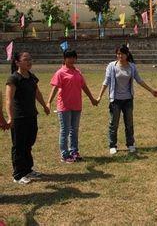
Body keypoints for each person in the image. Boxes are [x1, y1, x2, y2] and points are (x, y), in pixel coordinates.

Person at [97, 45, 157, 155]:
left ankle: (130, 144)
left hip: (128, 100)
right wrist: (99, 97)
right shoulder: (112, 66)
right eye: (118, 53)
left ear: (127, 54)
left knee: (129, 123)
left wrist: (151, 90)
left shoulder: (132, 67)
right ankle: (112, 145)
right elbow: (106, 82)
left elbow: (139, 80)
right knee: (113, 123)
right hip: (115, 100)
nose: (120, 56)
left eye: (122, 53)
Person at [46, 49, 98, 163]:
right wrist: (49, 102)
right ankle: (64, 155)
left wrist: (92, 99)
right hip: (64, 106)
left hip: (76, 105)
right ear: (64, 59)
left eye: (73, 57)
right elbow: (55, 88)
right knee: (65, 130)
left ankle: (74, 151)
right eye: (69, 57)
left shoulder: (78, 72)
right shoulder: (60, 72)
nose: (71, 60)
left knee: (74, 130)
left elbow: (84, 86)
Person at [6, 52, 50, 184]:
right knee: (18, 146)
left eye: (30, 59)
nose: (29, 61)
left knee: (28, 143)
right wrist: (10, 117)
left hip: (31, 115)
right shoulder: (13, 78)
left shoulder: (31, 77)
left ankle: (28, 170)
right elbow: (8, 100)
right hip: (19, 117)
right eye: (26, 60)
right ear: (17, 62)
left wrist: (44, 105)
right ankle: (18, 174)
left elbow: (37, 93)